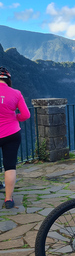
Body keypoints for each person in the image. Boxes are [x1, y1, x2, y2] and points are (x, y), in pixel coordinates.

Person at [0, 67, 31, 209]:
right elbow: (25, 115)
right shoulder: (16, 93)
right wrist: (15, 118)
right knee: (10, 166)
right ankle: (8, 200)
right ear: (8, 80)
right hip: (11, 133)